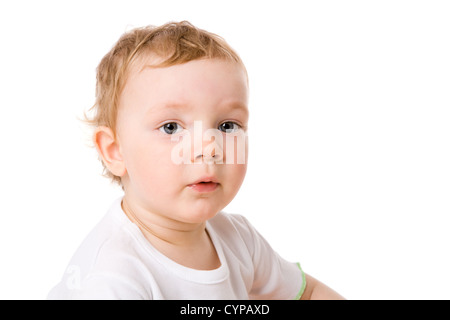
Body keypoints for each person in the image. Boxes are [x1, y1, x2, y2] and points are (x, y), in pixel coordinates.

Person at [48, 21, 344, 300]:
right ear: (115, 151)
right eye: (171, 128)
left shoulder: (238, 239)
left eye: (227, 125)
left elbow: (308, 293)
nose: (209, 148)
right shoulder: (113, 277)